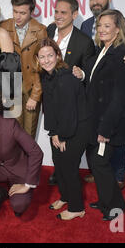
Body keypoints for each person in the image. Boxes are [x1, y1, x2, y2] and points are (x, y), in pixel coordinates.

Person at [81, 9, 125, 221]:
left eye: (107, 26)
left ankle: (115, 206)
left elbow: (119, 98)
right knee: (98, 163)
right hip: (97, 119)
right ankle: (106, 200)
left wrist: (105, 129)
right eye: (99, 26)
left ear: (118, 29)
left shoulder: (122, 54)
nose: (101, 30)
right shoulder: (103, 50)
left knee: (100, 163)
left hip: (110, 123)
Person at [36, 38, 89, 220]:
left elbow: (69, 112)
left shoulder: (65, 78)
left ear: (57, 55)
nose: (46, 60)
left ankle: (77, 208)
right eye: (42, 57)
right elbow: (50, 108)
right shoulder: (47, 75)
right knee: (59, 165)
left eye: (50, 55)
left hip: (76, 129)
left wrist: (63, 136)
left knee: (68, 168)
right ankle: (66, 197)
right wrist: (53, 133)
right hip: (60, 129)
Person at [46, 0, 95, 186]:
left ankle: (68, 177)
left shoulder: (84, 42)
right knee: (54, 138)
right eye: (56, 11)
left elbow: (90, 73)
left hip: (71, 104)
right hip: (50, 98)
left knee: (67, 144)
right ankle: (58, 172)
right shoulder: (49, 30)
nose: (58, 16)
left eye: (63, 12)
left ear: (74, 14)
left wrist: (81, 73)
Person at [0, 0, 47, 137]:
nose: (17, 17)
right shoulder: (3, 27)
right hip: (11, 90)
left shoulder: (40, 31)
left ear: (31, 11)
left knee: (28, 136)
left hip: (30, 89)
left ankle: (28, 161)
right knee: (12, 134)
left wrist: (35, 95)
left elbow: (42, 67)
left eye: (22, 13)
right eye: (15, 11)